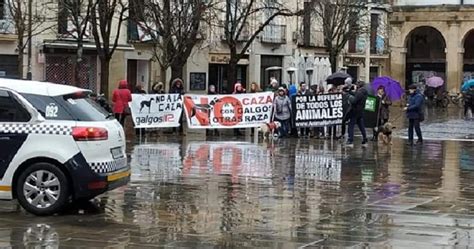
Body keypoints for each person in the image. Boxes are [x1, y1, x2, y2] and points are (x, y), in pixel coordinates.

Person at [346, 81, 368, 148]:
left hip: (355, 111)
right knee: (361, 126)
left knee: (351, 125)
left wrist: (350, 97)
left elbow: (354, 101)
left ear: (358, 86)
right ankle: (365, 138)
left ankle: (350, 140)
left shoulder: (359, 92)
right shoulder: (364, 92)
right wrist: (350, 91)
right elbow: (355, 94)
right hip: (360, 111)